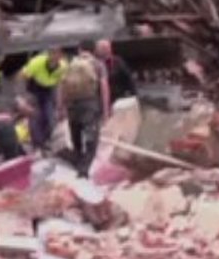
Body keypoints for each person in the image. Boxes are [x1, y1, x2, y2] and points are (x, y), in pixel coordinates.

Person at [61, 41, 110, 178]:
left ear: (79, 49)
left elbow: (62, 85)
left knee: (76, 140)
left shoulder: (70, 64)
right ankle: (83, 173)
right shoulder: (98, 64)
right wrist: (106, 111)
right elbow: (104, 88)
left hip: (72, 106)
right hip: (90, 106)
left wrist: (61, 107)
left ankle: (77, 164)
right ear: (94, 50)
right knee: (91, 142)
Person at [19, 47, 67, 150]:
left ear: (61, 56)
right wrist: (23, 97)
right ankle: (37, 144)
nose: (54, 58)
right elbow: (23, 77)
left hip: (48, 89)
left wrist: (60, 104)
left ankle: (47, 140)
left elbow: (60, 85)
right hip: (33, 88)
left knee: (49, 116)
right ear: (48, 55)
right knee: (35, 115)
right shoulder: (37, 62)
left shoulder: (63, 67)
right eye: (52, 54)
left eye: (57, 55)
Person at [95, 39, 137, 104]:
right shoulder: (95, 63)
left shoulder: (118, 61)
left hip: (118, 95)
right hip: (101, 97)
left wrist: (134, 94)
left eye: (106, 48)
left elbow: (128, 78)